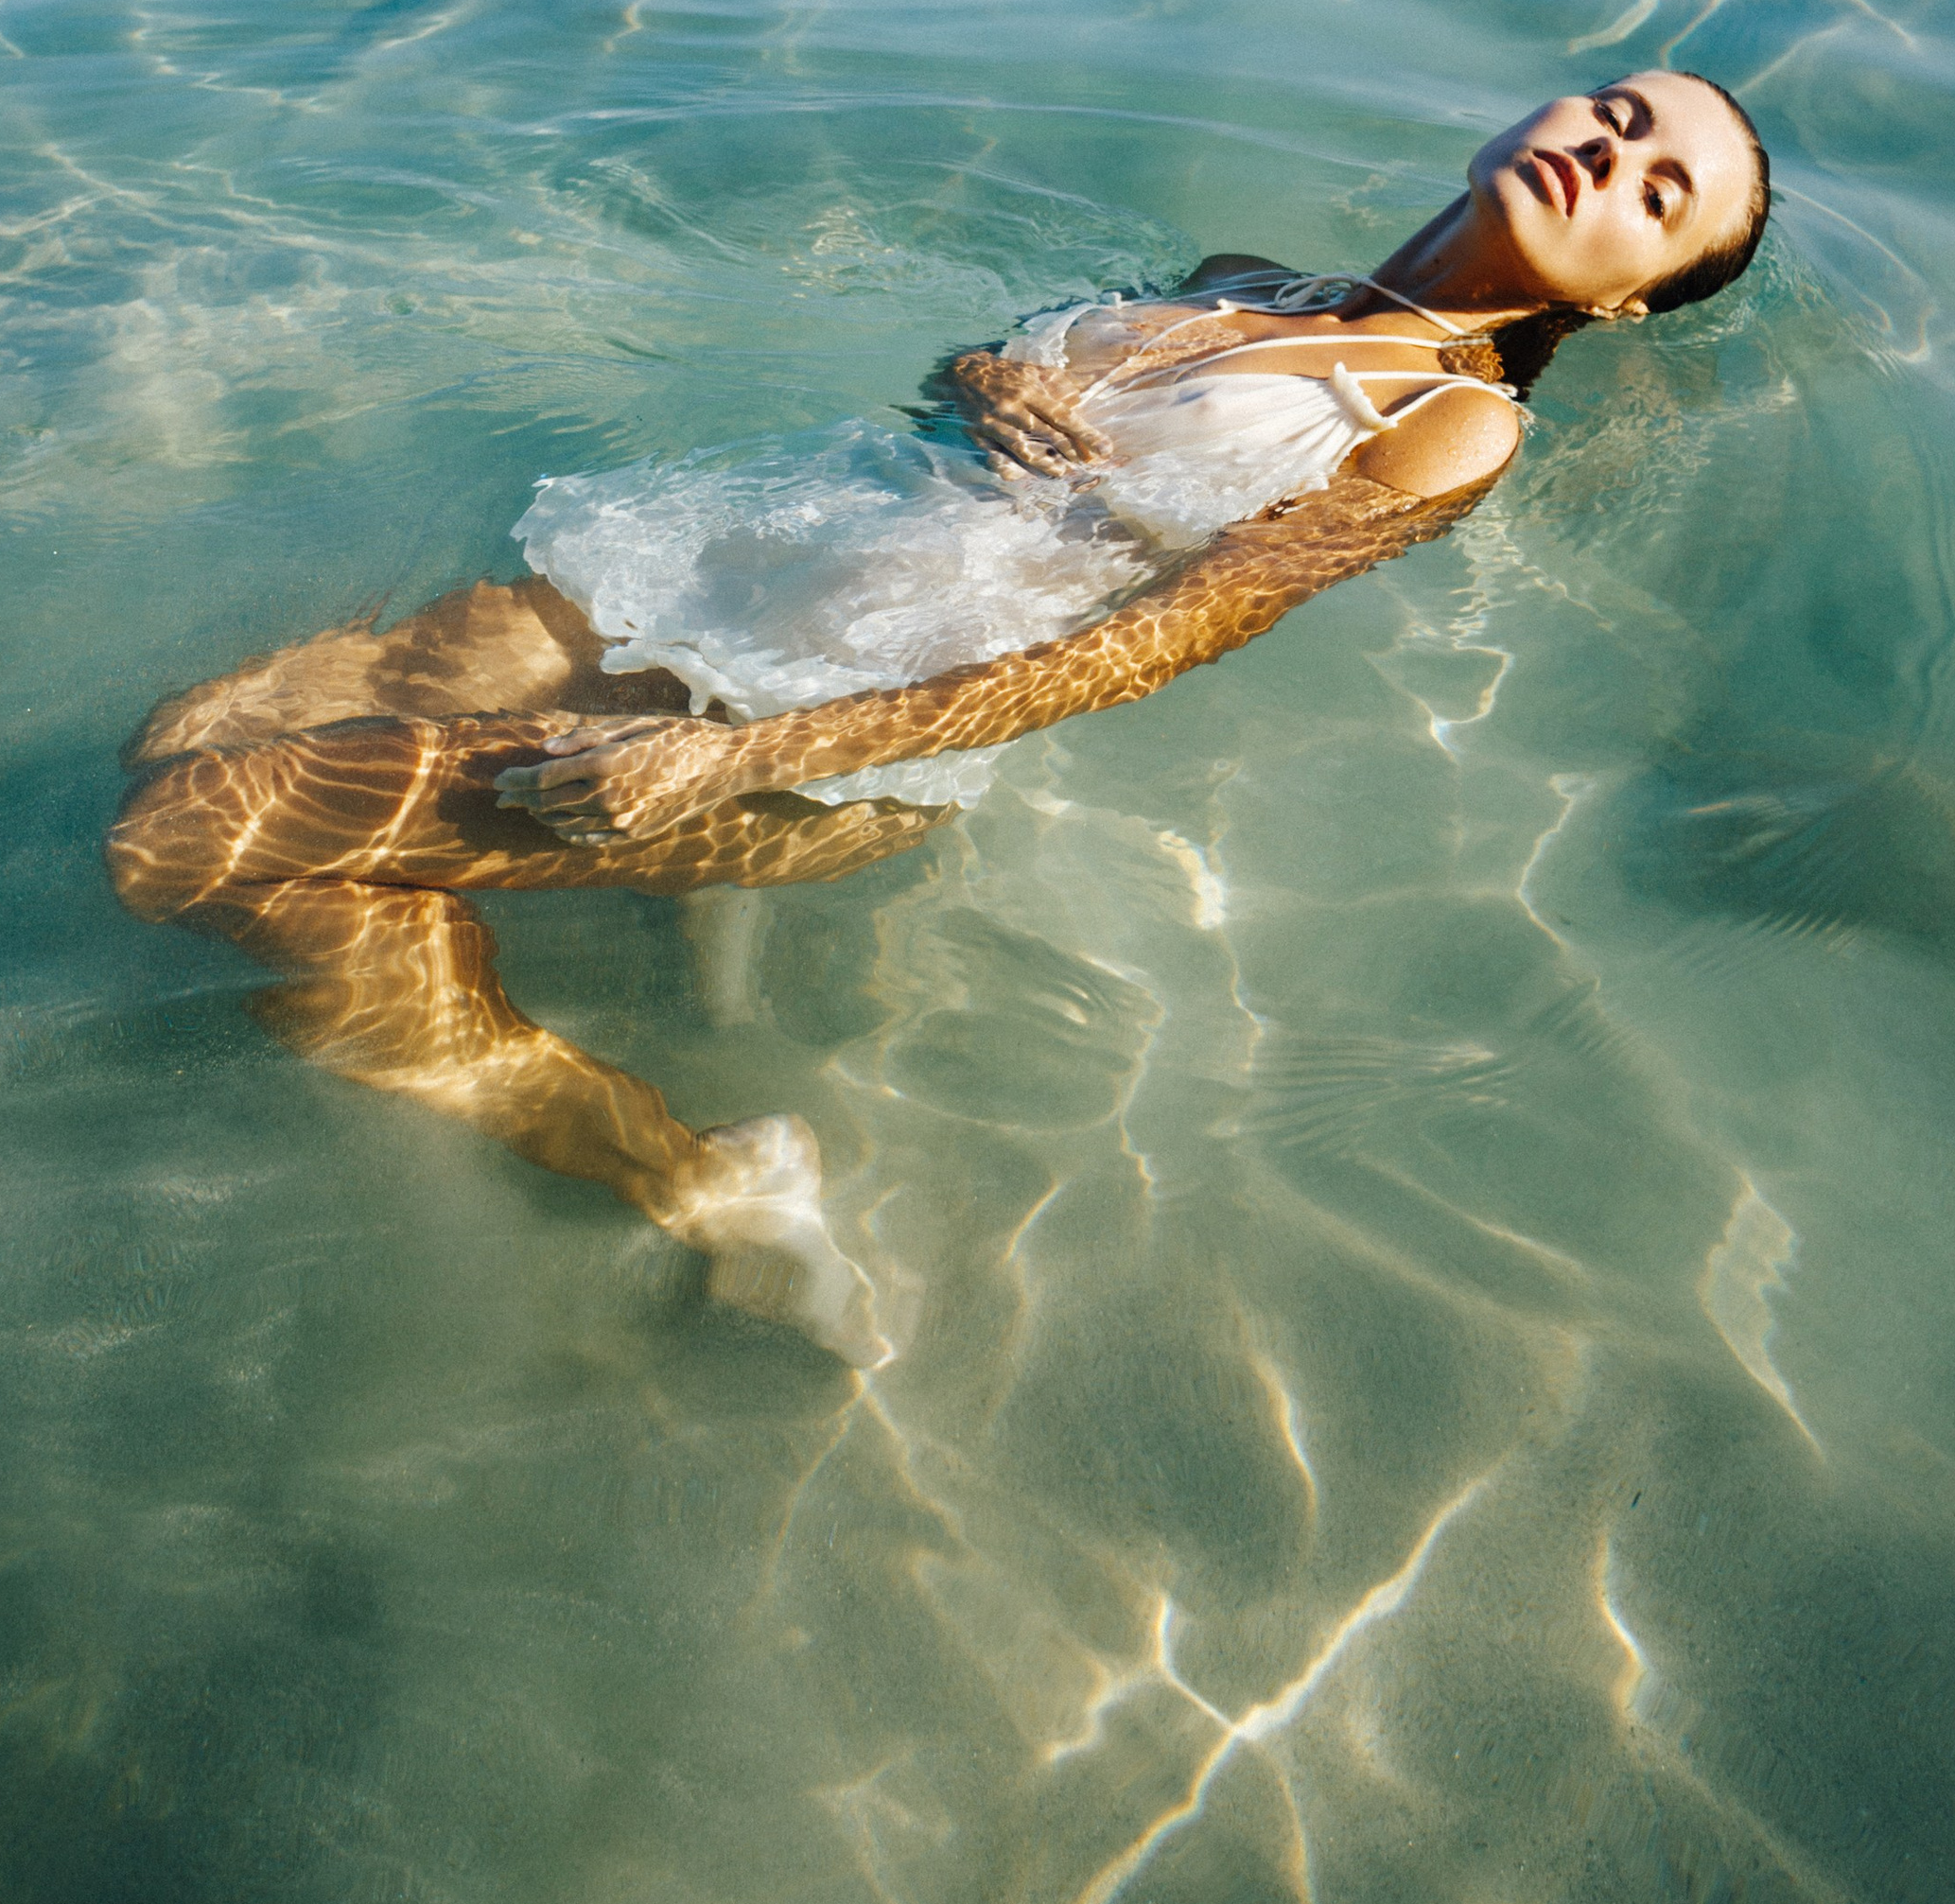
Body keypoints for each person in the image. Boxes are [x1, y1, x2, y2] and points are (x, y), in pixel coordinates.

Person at [109, 70, 1769, 1360]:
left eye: (1657, 188)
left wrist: (734, 758)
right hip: (712, 574)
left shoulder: (1447, 429)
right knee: (196, 731)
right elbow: (968, 402)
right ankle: (599, 964)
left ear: (1629, 300)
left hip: (814, 711)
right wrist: (990, 374)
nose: (1611, 158)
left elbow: (1154, 646)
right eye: (1615, 117)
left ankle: (693, 1177)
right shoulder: (1248, 278)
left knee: (180, 844)